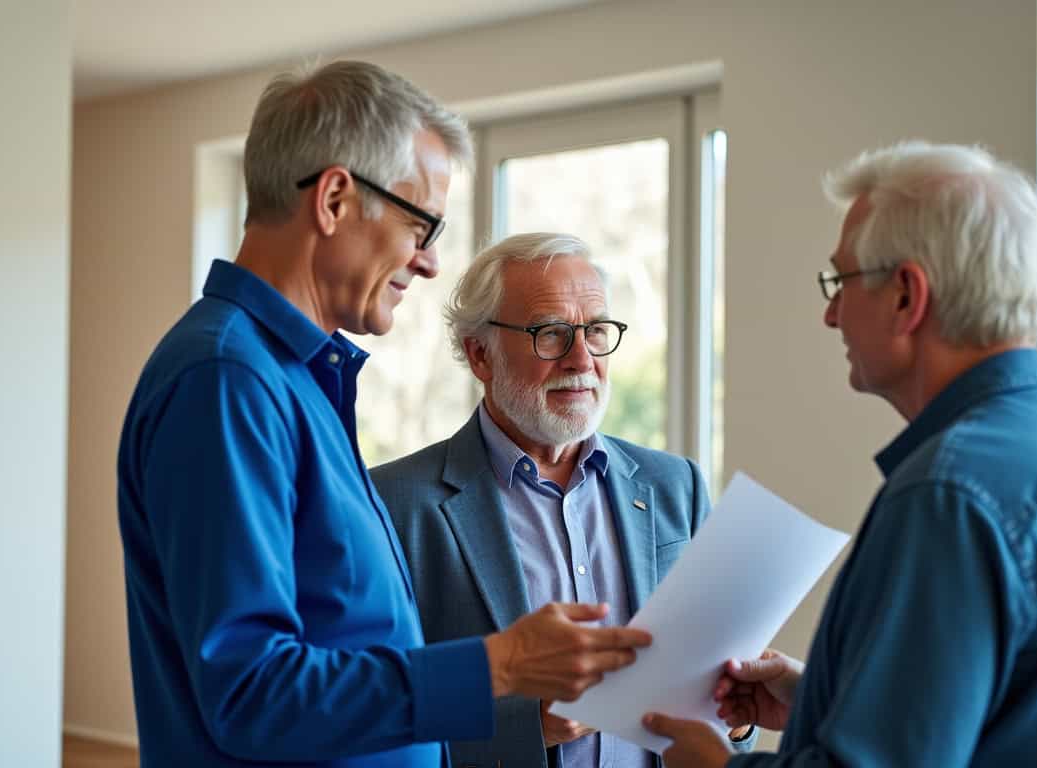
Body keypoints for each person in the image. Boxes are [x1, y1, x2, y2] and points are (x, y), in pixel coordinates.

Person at [117, 63, 652, 768]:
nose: (429, 263)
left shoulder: (294, 378)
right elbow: (250, 695)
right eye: (420, 223)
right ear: (335, 198)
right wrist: (502, 664)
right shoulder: (227, 380)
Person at [642, 141, 1037, 767]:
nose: (831, 316)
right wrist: (824, 703)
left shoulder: (949, 494)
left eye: (840, 282)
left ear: (906, 295)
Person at [371, 232, 755, 768]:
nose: (581, 359)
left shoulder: (676, 486)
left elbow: (723, 712)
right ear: (480, 354)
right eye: (550, 334)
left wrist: (737, 715)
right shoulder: (395, 504)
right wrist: (527, 729)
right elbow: (369, 715)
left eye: (596, 331)